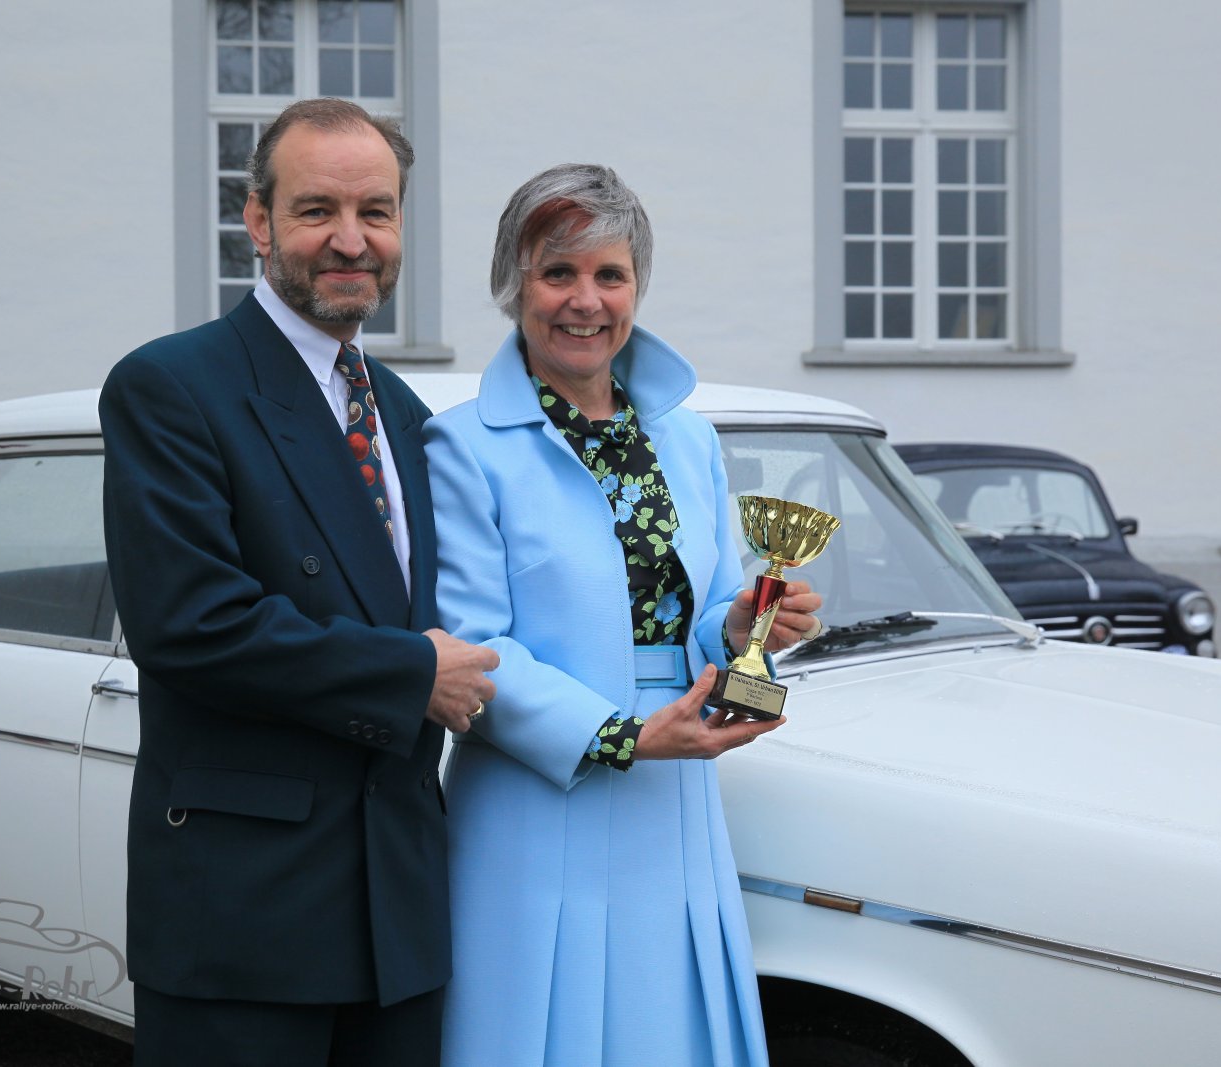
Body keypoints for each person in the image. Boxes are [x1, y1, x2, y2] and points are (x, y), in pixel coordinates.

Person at [99, 98, 497, 1066]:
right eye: (318, 209)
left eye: (376, 212)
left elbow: (476, 601)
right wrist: (411, 674)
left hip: (397, 908)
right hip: (246, 914)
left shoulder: (403, 410)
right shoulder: (172, 385)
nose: (351, 240)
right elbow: (190, 623)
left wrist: (717, 632)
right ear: (258, 220)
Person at [424, 163, 824, 1067]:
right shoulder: (461, 447)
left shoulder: (687, 435)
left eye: (611, 274)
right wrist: (622, 736)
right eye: (557, 272)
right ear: (513, 284)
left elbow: (705, 610)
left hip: (675, 786)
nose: (586, 300)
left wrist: (747, 624)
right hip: (538, 794)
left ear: (637, 286)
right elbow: (475, 646)